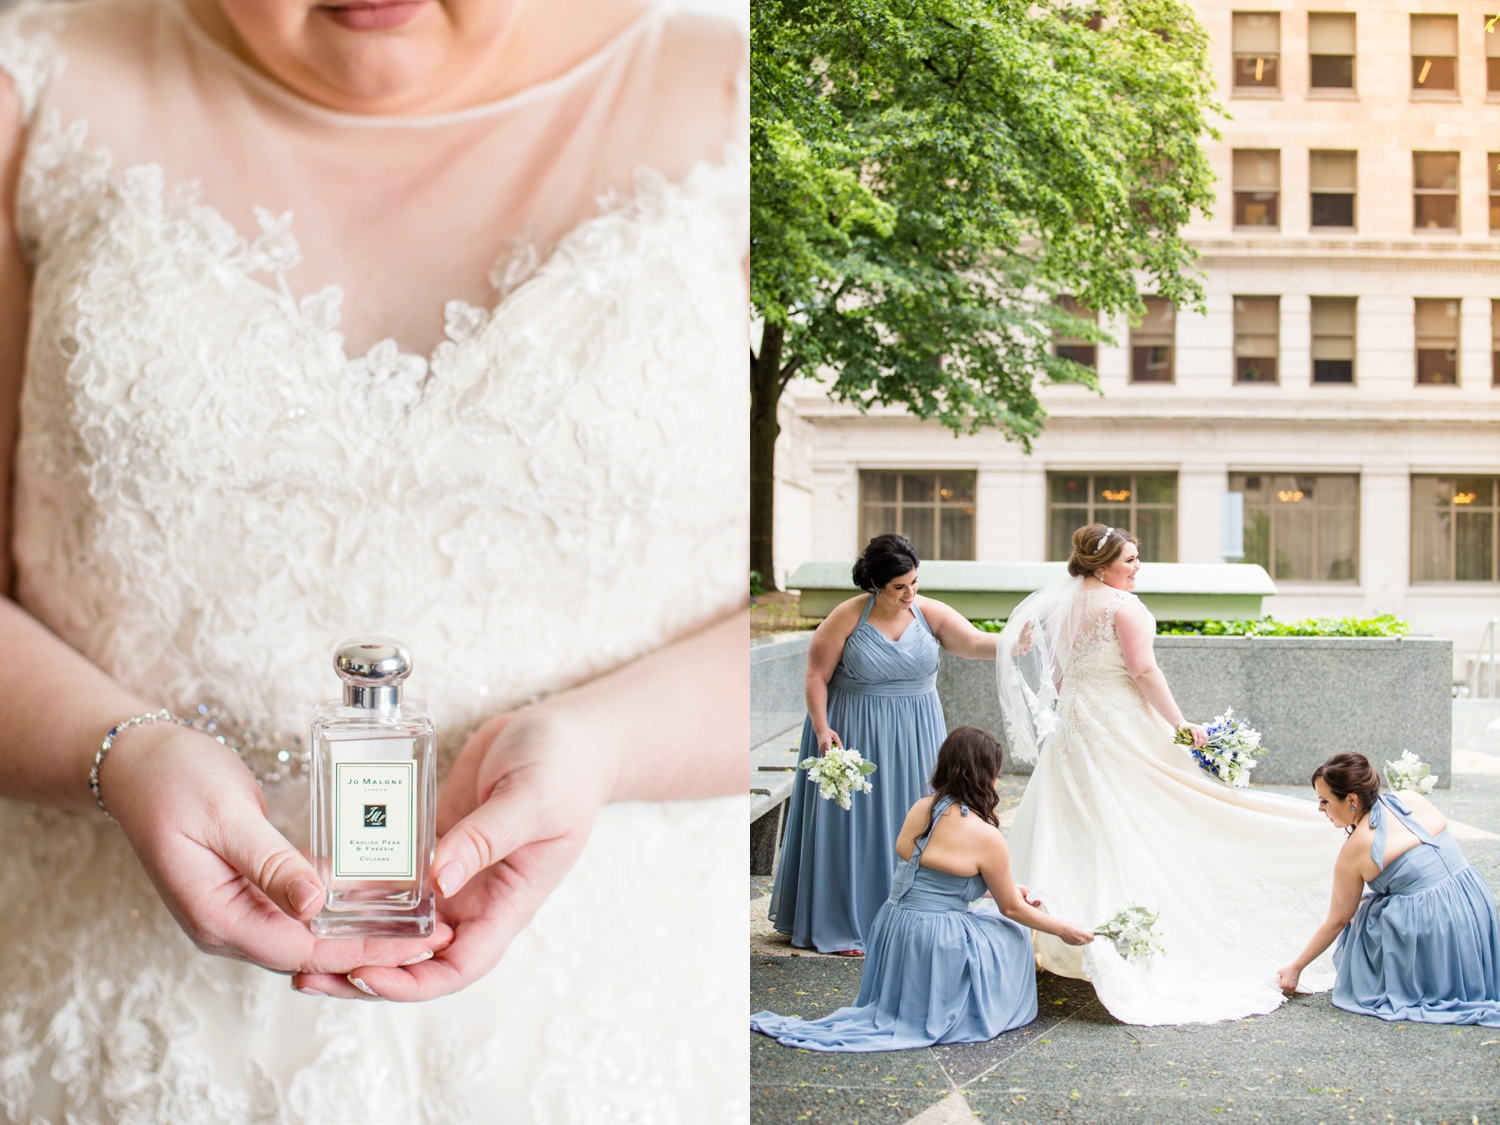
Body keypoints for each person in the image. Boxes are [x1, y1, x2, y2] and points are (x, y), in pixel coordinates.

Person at [0, 0, 747, 1118]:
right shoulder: (36, 84)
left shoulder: (744, 89)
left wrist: (606, 744)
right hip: (125, 1030)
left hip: (616, 1028)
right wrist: (118, 753)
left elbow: (820, 621)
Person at [997, 523, 1343, 1025]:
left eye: (1138, 558)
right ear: (1101, 565)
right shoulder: (1123, 607)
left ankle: (1065, 932)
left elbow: (1057, 677)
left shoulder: (1059, 607)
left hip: (1075, 728)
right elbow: (1143, 672)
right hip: (1120, 725)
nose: (1138, 568)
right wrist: (1180, 724)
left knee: (1080, 818)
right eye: (1130, 560)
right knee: (1156, 810)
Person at [752, 726, 1091, 1051]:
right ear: (985, 776)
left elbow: (926, 875)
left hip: (891, 926)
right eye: (996, 772)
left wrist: (999, 887)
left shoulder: (920, 809)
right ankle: (966, 1004)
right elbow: (1012, 909)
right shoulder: (987, 837)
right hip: (935, 935)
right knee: (1012, 934)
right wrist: (1063, 929)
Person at [770, 534, 1000, 954]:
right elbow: (815, 678)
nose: (910, 593)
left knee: (915, 817)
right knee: (850, 825)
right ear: (875, 584)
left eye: (914, 582)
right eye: (900, 587)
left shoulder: (927, 612)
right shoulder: (847, 617)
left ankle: (909, 915)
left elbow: (974, 643)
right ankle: (842, 922)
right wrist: (823, 731)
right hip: (852, 729)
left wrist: (1020, 642)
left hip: (917, 732)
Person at [1277, 752, 1500, 1025]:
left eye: (1324, 801)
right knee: (1372, 900)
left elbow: (1337, 921)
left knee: (1364, 914)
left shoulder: (1355, 849)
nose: (1320, 809)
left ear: (1351, 800)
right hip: (1474, 904)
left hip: (1436, 927)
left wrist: (1296, 968)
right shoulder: (1411, 799)